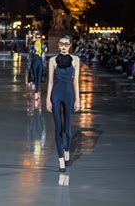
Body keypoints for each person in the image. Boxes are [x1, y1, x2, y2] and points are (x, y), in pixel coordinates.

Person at [46, 35, 81, 172]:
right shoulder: (52, 60)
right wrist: (47, 99)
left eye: (67, 44)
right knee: (58, 128)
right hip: (56, 94)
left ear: (70, 45)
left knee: (67, 129)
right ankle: (60, 158)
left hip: (68, 94)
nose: (64, 46)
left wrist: (78, 99)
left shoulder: (76, 60)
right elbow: (50, 82)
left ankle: (66, 149)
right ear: (59, 45)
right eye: (62, 43)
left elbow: (76, 82)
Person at [27, 32, 47, 101]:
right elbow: (29, 55)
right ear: (35, 38)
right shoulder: (32, 45)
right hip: (34, 62)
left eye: (39, 37)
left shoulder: (43, 45)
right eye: (37, 37)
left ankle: (37, 92)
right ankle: (36, 92)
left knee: (39, 78)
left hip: (40, 62)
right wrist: (28, 64)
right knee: (35, 77)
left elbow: (44, 55)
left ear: (41, 38)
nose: (38, 38)